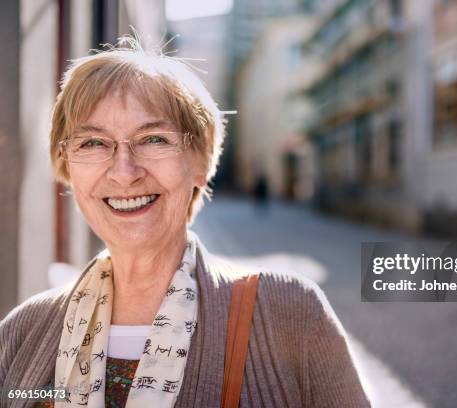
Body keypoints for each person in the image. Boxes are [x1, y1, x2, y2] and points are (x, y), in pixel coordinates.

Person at [0, 37, 370, 407]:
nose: (125, 173)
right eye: (93, 143)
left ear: (200, 162)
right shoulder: (21, 333)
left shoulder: (288, 314)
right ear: (67, 167)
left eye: (154, 139)